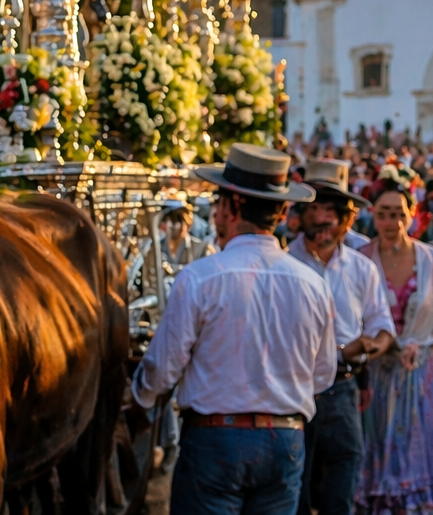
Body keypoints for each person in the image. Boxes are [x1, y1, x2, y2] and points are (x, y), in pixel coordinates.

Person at [133, 144, 335, 515]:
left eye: (218, 201)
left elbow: (163, 368)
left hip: (217, 438)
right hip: (285, 438)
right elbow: (322, 375)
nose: (215, 213)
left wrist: (138, 400)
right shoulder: (313, 283)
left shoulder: (201, 278)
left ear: (234, 206)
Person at [356, 185, 433, 514]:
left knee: (422, 465)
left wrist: (423, 346)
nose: (390, 221)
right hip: (376, 377)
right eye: (383, 214)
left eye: (397, 213)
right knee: (376, 460)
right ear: (373, 217)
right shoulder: (361, 260)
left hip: (424, 378)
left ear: (412, 216)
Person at [289, 159, 395, 515]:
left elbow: (382, 326)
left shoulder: (362, 268)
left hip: (342, 389)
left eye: (329, 210)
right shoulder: (285, 264)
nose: (321, 219)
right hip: (294, 388)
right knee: (295, 479)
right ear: (300, 215)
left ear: (347, 219)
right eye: (314, 208)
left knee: (343, 474)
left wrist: (366, 348)